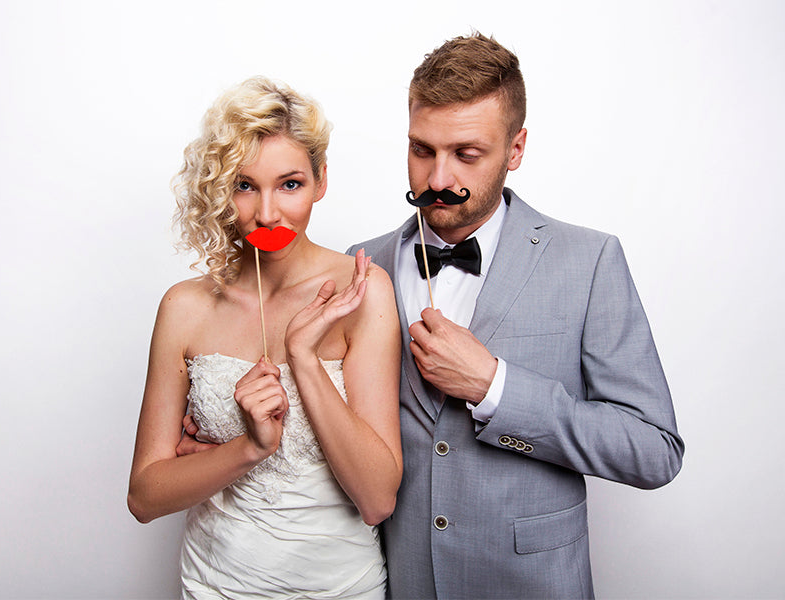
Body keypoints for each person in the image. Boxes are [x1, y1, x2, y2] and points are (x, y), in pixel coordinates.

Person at [346, 32, 684, 598]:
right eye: (422, 150)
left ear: (516, 148)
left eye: (466, 154)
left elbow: (653, 450)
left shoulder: (590, 260)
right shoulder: (359, 265)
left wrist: (494, 387)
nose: (437, 180)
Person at [127, 76, 402, 598]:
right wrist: (249, 448)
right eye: (245, 185)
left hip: (340, 587)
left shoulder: (361, 292)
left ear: (321, 180)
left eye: (290, 184)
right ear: (220, 189)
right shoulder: (184, 307)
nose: (268, 213)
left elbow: (377, 499)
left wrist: (303, 357)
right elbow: (144, 497)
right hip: (215, 584)